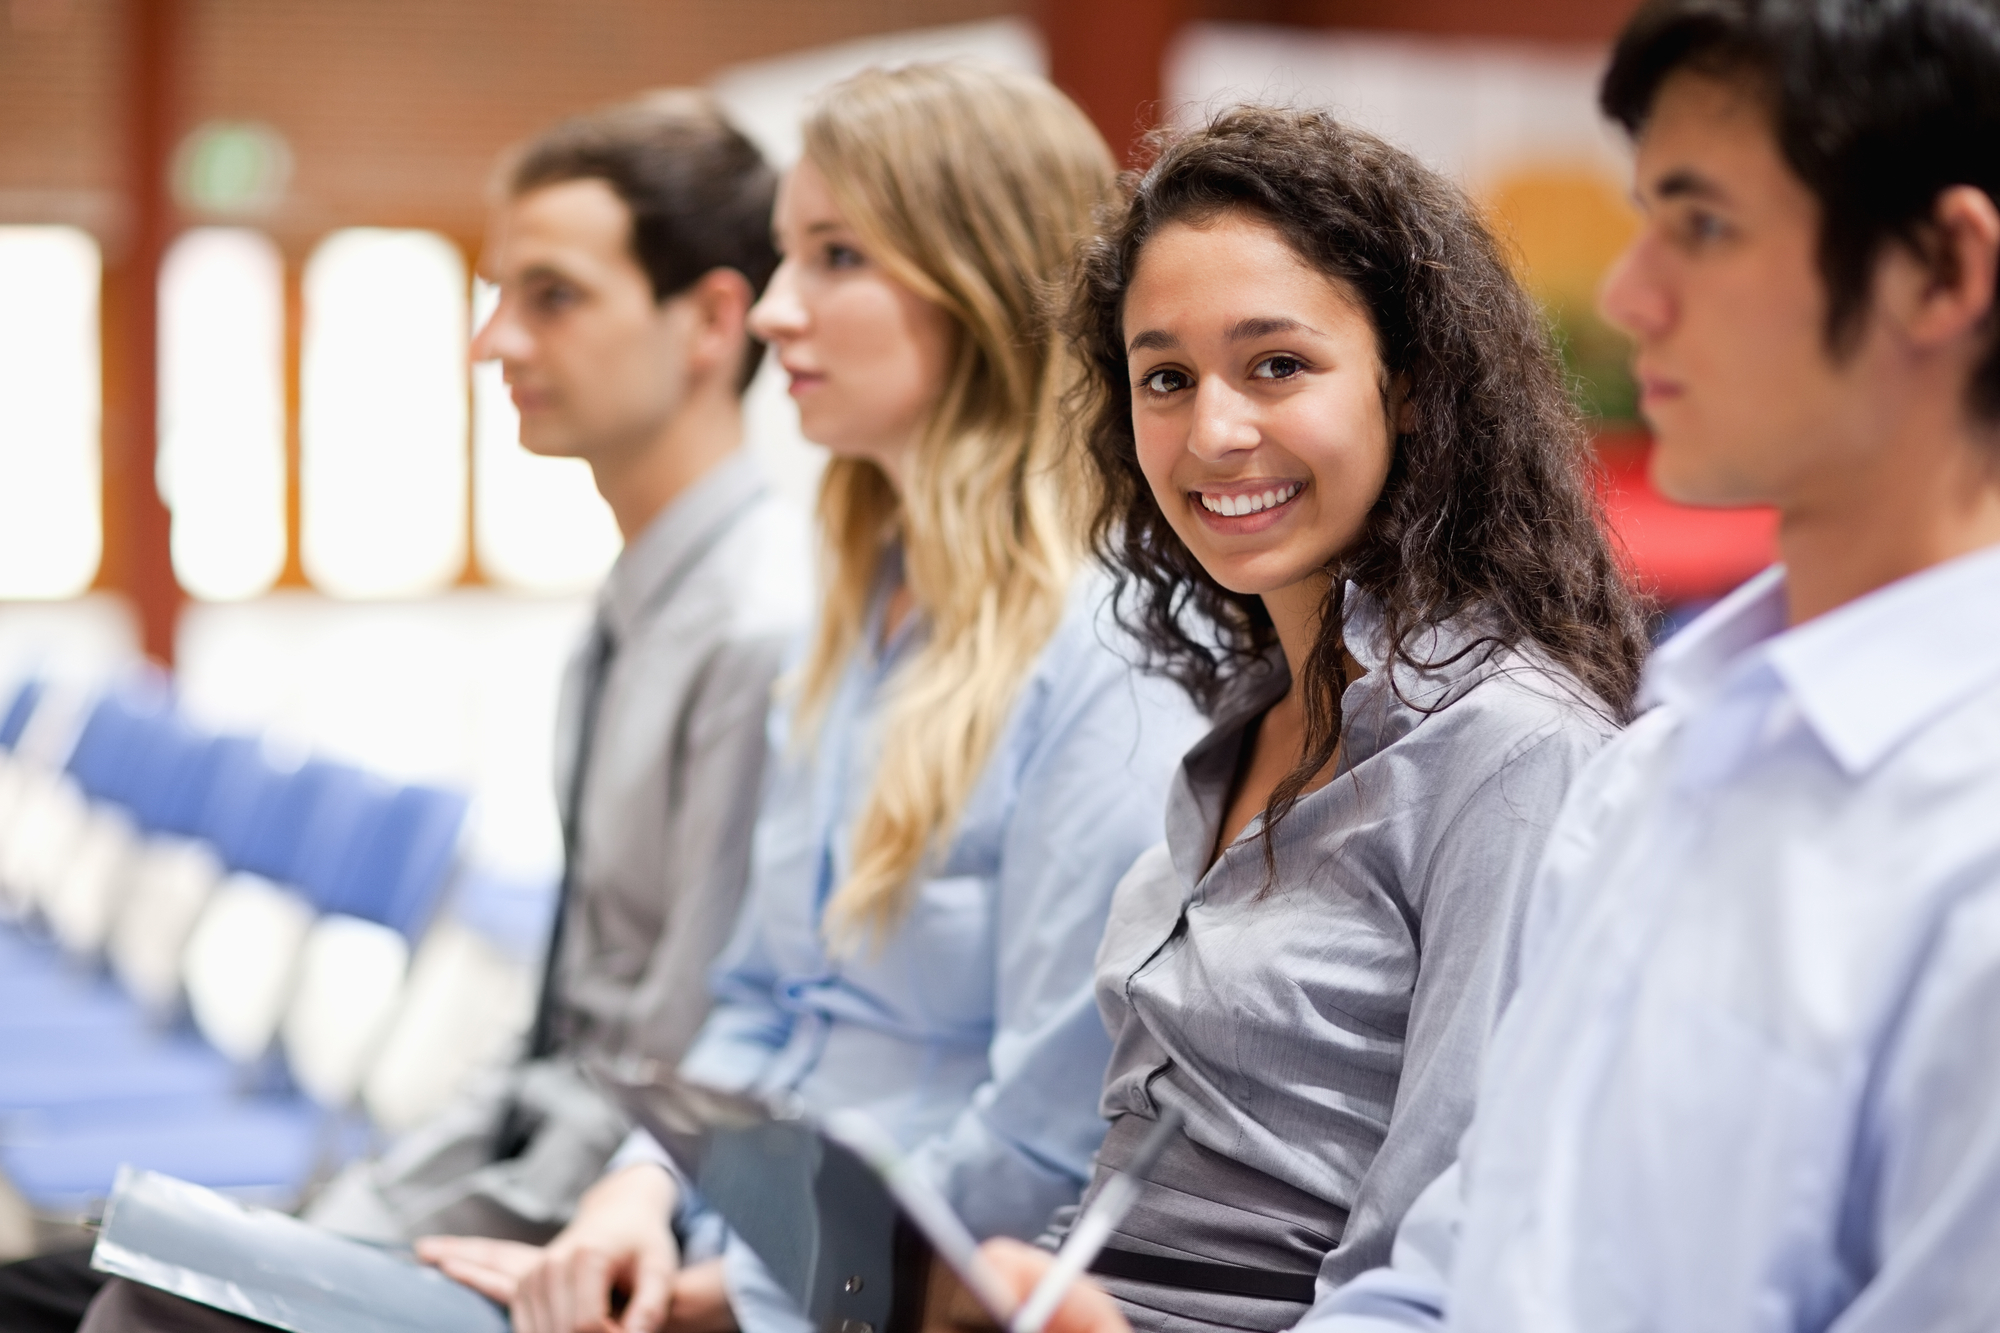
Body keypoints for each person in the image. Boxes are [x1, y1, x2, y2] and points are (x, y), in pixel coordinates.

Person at [993, 0, 2000, 1329]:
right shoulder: (1665, 764)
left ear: (1939, 272)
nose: (1632, 294)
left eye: (1701, 223)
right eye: (1163, 377)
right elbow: (1465, 1257)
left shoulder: (1550, 747)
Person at [412, 64, 1209, 1333]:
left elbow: (1042, 1131)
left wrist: (720, 1292)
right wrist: (632, 1192)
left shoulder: (1108, 649)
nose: (778, 312)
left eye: (835, 258)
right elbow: (753, 1002)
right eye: (787, 255)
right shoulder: (859, 611)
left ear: (979, 282)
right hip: (738, 1260)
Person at [38, 90, 813, 1333]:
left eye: (550, 296)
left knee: (131, 1311)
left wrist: (385, 1235)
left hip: (601, 1234)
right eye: (497, 294)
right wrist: (372, 1201)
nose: (492, 341)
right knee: (48, 1284)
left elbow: (679, 1066)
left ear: (713, 319)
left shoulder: (756, 628)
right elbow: (564, 1025)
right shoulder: (638, 603)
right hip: (507, 1172)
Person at [1014, 106, 1646, 1333]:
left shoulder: (1513, 747)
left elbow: (1453, 1253)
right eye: (1165, 377)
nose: (1212, 433)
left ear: (1408, 388)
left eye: (1276, 365)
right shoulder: (1241, 720)